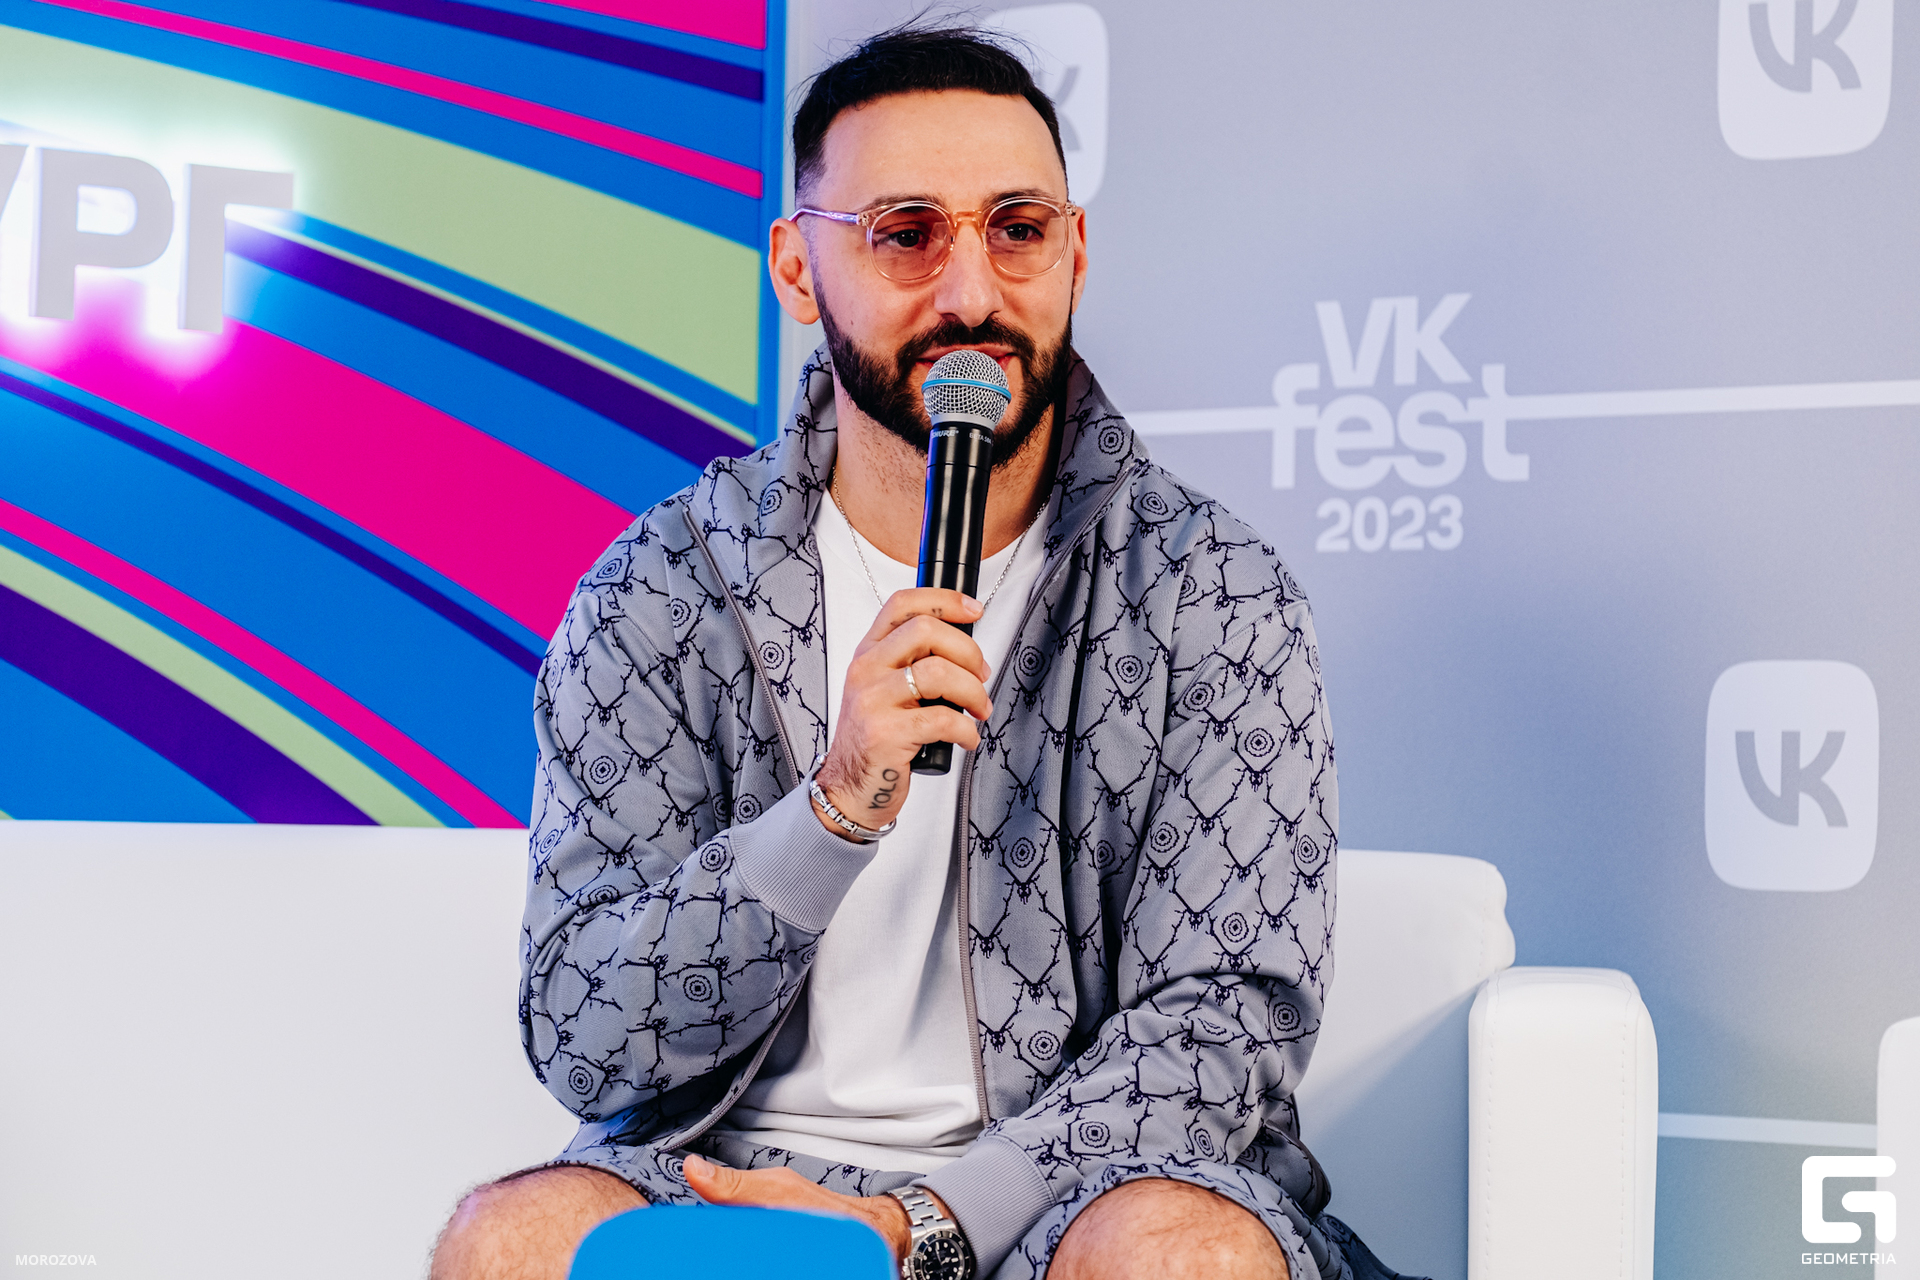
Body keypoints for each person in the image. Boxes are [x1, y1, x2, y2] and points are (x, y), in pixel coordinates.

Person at [433, 23, 1414, 1280]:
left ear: (1075, 252)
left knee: (1182, 1257)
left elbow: (1221, 1033)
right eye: (906, 234)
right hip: (726, 1175)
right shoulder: (665, 588)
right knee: (508, 1243)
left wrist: (921, 1223)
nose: (971, 294)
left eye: (1018, 229)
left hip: (1068, 1196)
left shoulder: (1210, 591)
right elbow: (584, 1031)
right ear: (798, 268)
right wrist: (830, 811)